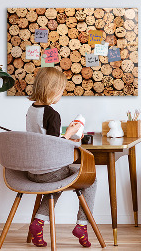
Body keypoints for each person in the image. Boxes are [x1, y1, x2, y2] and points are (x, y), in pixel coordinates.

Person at [26, 67, 96, 248]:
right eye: (61, 91)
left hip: (32, 171)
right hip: (49, 171)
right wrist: (71, 133)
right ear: (52, 90)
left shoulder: (31, 110)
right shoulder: (52, 114)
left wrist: (66, 134)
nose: (61, 95)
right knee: (91, 179)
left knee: (56, 182)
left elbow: (43, 139)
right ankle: (82, 225)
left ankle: (38, 223)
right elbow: (53, 145)